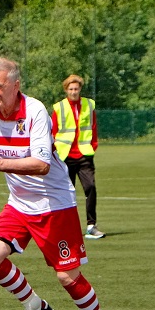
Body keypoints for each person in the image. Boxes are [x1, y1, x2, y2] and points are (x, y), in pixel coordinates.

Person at [0, 57, 116, 310]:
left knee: (68, 277)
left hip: (54, 204)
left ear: (16, 85)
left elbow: (41, 164)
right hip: (19, 204)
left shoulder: (35, 111)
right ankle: (37, 308)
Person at [51, 74, 104, 239]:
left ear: (80, 89)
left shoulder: (89, 105)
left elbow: (93, 127)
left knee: (91, 187)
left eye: (76, 89)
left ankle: (91, 225)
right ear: (66, 90)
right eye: (71, 89)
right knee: (66, 193)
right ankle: (65, 227)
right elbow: (53, 131)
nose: (74, 92)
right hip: (64, 155)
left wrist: (93, 146)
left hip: (84, 154)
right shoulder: (59, 107)